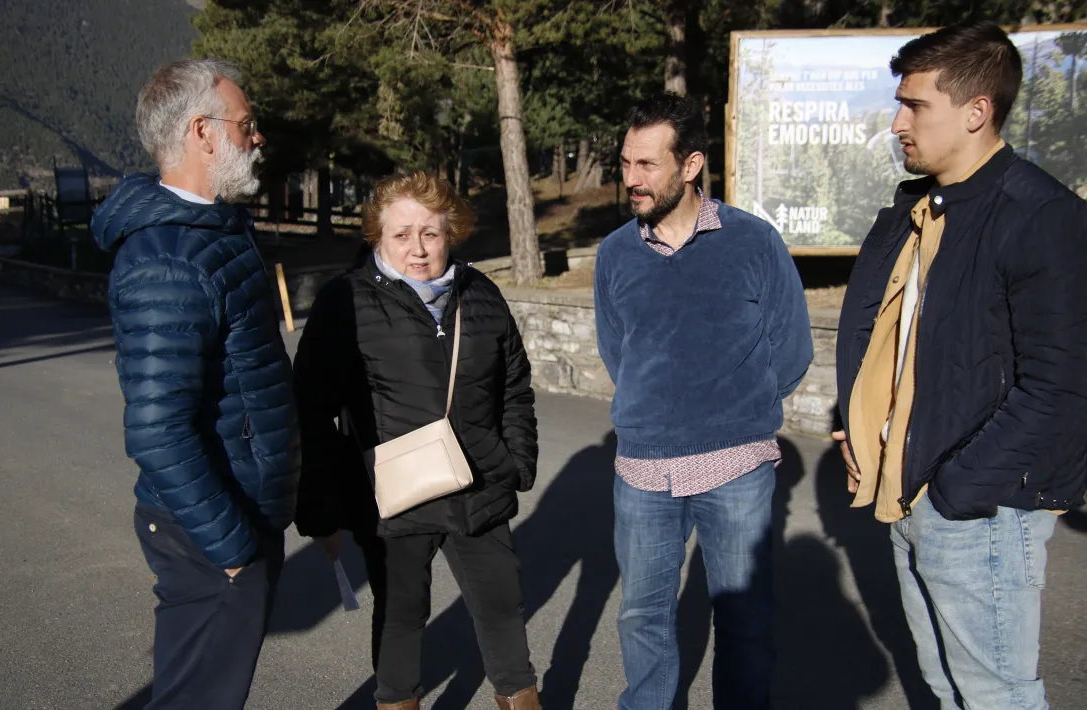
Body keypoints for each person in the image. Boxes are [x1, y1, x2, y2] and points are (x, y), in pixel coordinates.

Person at [833, 21, 1087, 709]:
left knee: (997, 697)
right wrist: (864, 427)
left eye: (915, 106)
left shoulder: (1041, 215)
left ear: (977, 111)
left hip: (979, 509)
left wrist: (956, 489)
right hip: (913, 489)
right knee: (948, 691)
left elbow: (1062, 387)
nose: (897, 123)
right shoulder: (916, 210)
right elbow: (893, 341)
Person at [91, 59, 300, 709]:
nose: (258, 137)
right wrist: (231, 548)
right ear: (202, 132)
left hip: (237, 505)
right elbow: (157, 429)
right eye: (247, 123)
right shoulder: (167, 259)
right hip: (209, 525)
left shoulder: (215, 228)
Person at [594, 94, 813, 710]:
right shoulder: (614, 253)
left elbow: (792, 349)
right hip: (643, 468)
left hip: (736, 464)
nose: (631, 178)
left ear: (690, 165)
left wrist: (736, 412)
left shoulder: (753, 242)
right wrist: (653, 408)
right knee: (642, 618)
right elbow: (618, 351)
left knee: (744, 622)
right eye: (626, 163)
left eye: (647, 164)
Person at [293, 172, 542, 710]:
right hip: (393, 495)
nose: (418, 249)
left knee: (503, 607)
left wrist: (516, 462)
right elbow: (310, 408)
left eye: (430, 233)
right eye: (402, 234)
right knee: (401, 619)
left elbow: (514, 387)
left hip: (479, 485)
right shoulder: (346, 301)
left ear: (451, 232)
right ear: (377, 236)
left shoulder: (481, 294)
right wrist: (320, 508)